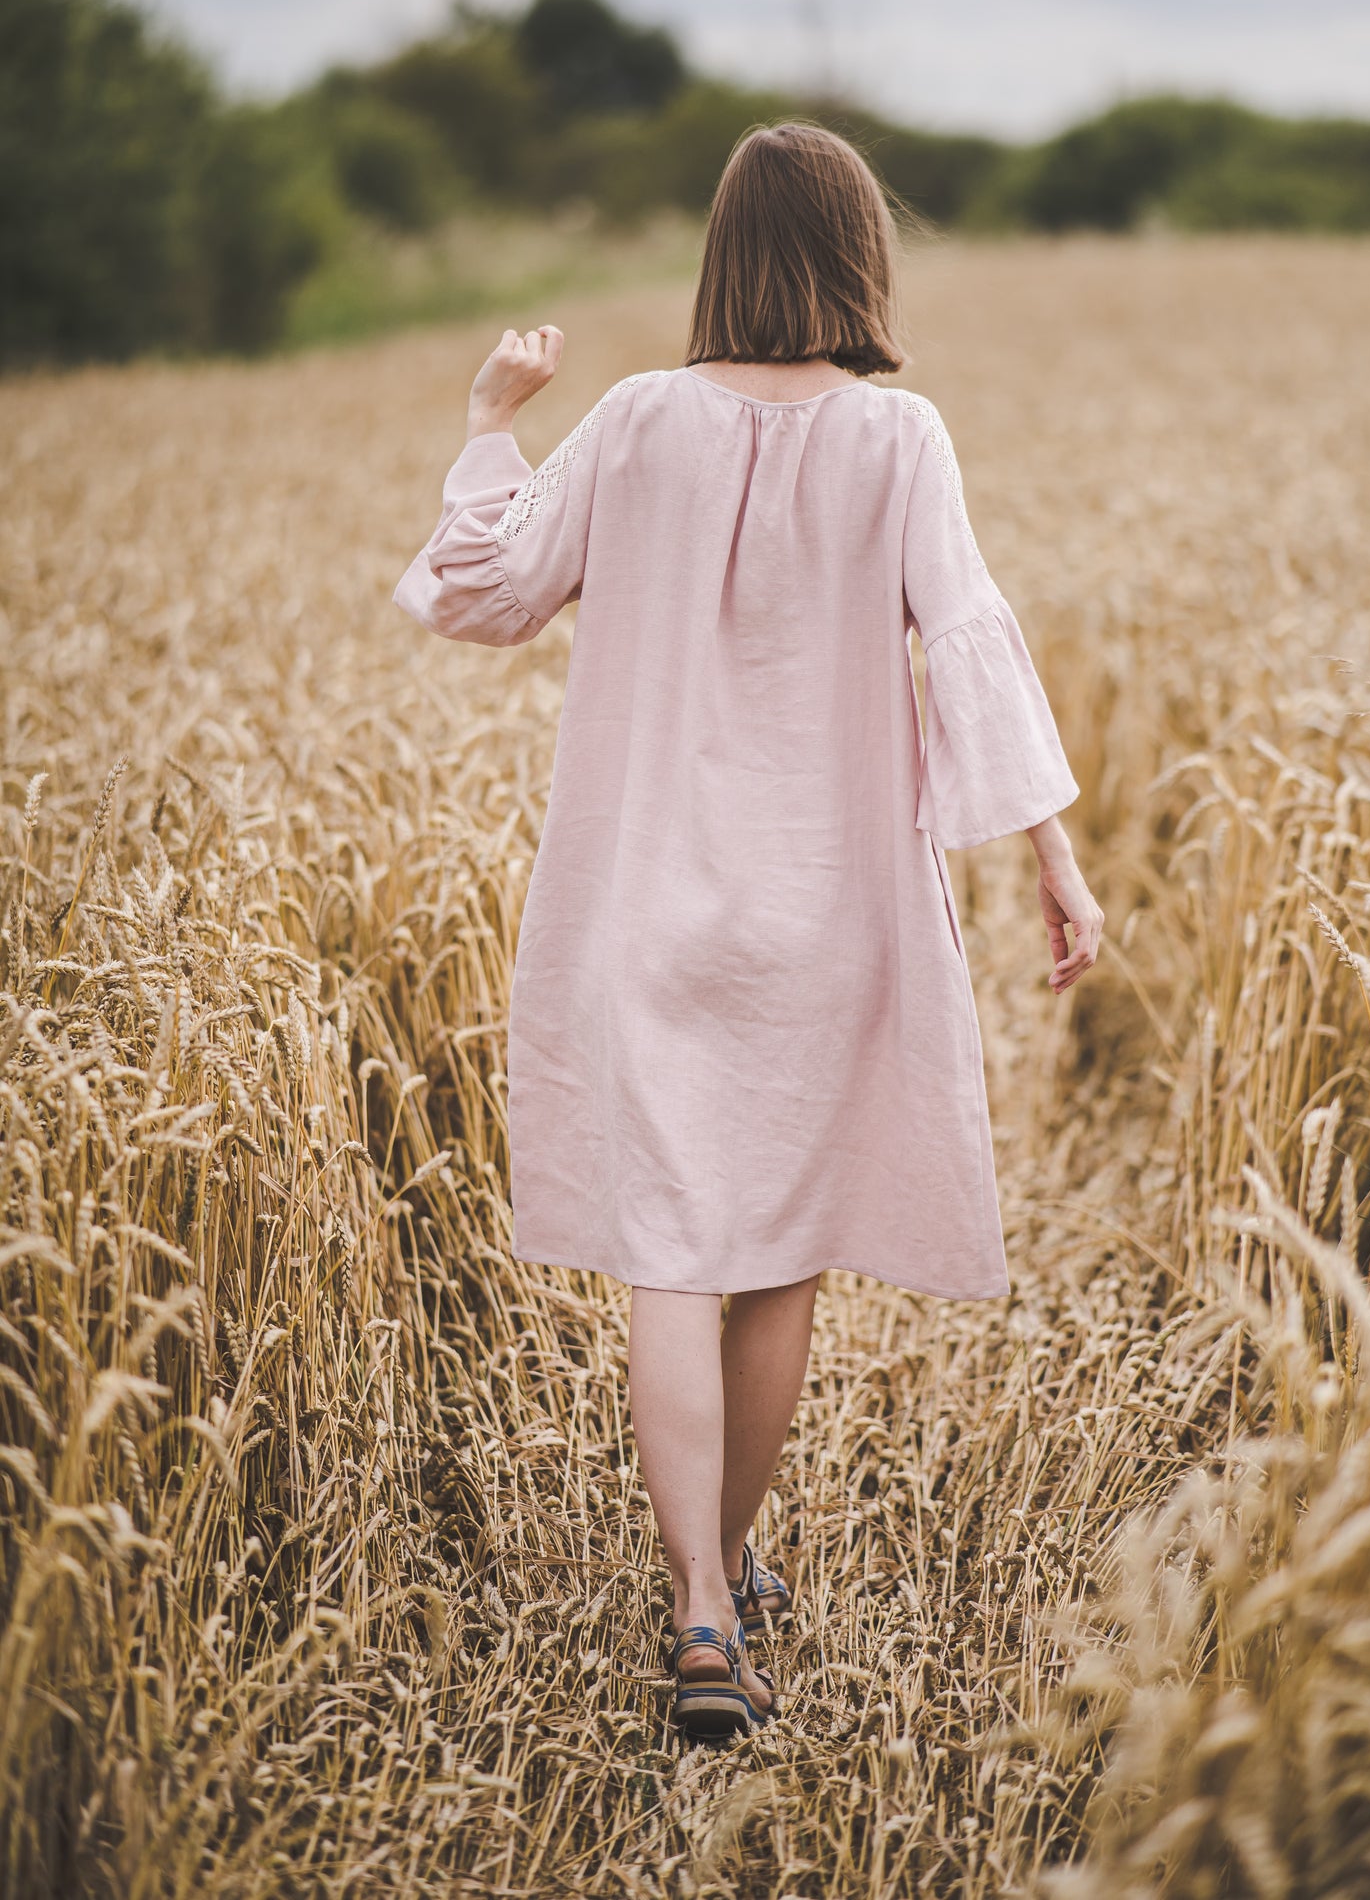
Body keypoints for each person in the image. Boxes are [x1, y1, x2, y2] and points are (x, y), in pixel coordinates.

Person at [394, 123, 1102, 1742]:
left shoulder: (635, 421)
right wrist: (1054, 860)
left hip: (646, 910)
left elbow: (480, 593)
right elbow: (969, 648)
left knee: (669, 1252)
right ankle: (733, 1566)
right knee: (775, 1255)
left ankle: (701, 1608)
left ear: (723, 251)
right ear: (861, 255)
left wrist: (489, 423)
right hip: (830, 911)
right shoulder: (900, 438)